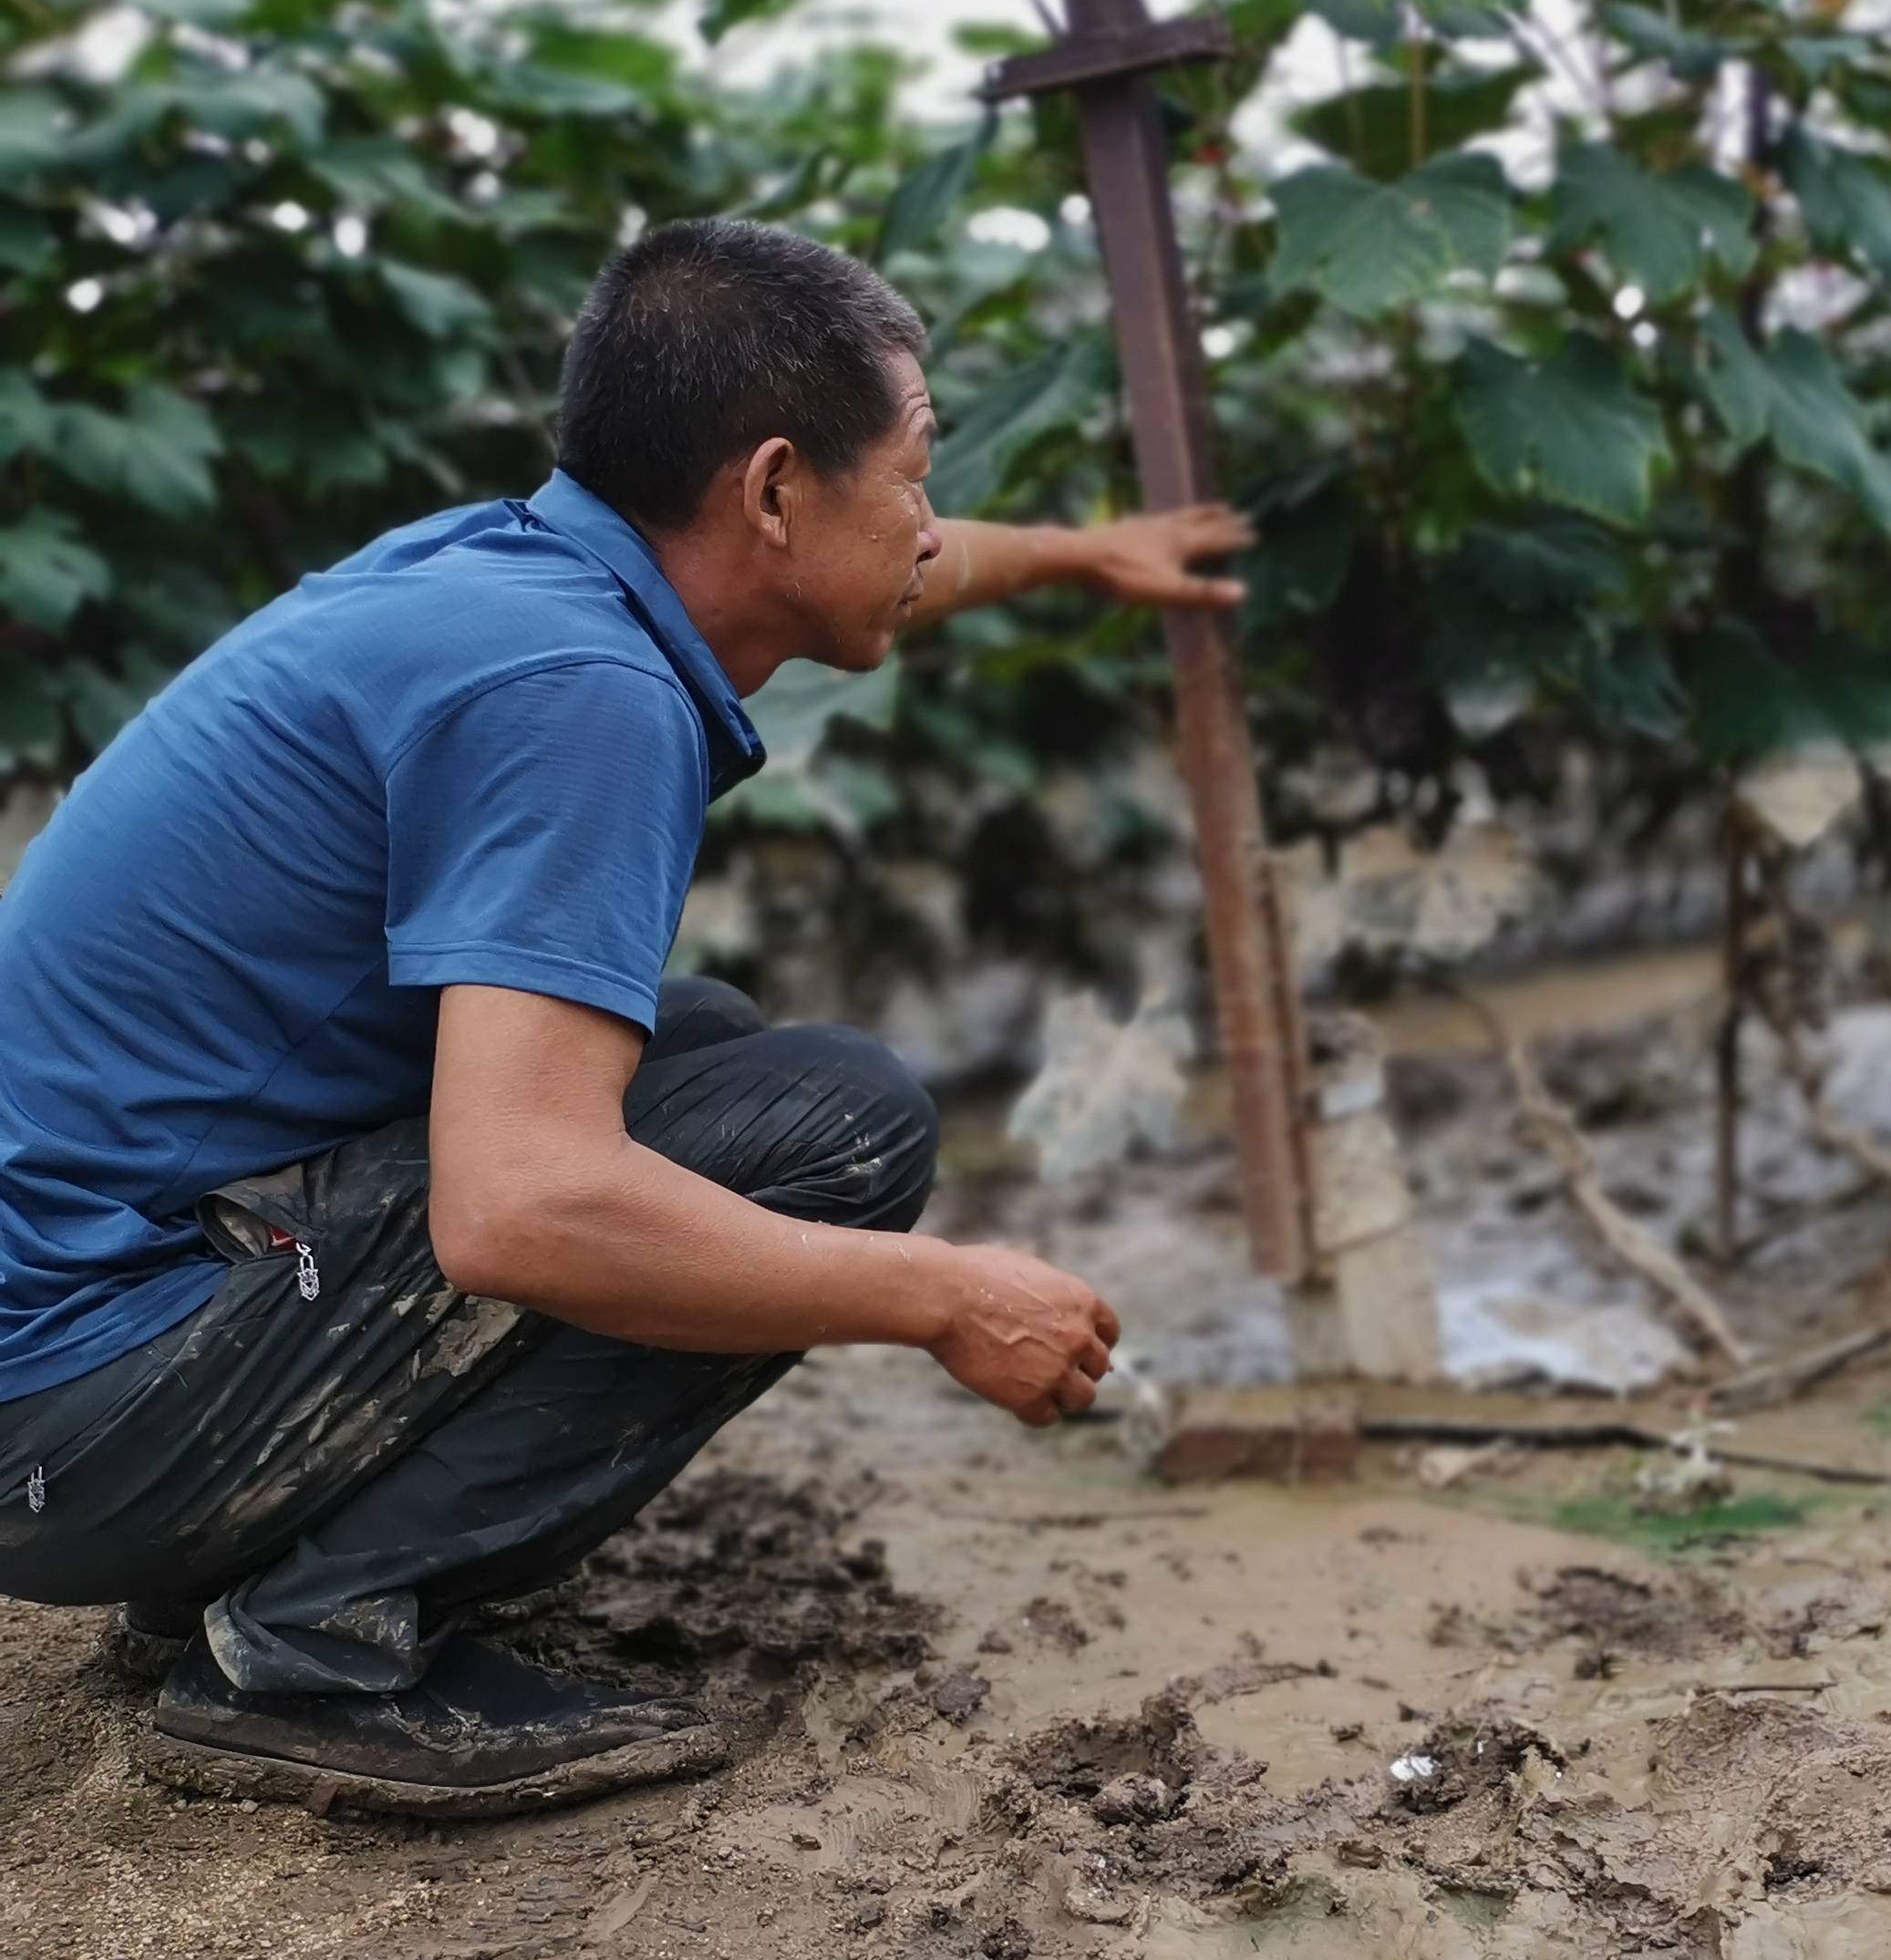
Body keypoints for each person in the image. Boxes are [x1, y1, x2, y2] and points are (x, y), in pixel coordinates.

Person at [0, 218, 1242, 1816]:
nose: (930, 519)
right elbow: (518, 1214)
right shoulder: (576, 696)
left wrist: (1087, 554)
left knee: (707, 1043)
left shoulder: (519, 576)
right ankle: (305, 1646)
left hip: (82, 1354)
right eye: (918, 465)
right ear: (779, 489)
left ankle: (239, 1563)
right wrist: (938, 1294)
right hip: (70, 1425)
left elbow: (902, 568)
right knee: (835, 1131)